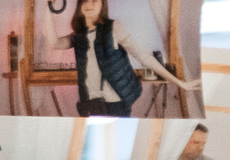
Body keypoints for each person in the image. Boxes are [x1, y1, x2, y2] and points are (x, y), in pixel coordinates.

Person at [70, 0, 198, 118]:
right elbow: (54, 43)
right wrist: (49, 7)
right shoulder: (78, 36)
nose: (89, 4)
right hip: (90, 104)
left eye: (95, 0)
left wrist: (179, 82)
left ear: (102, 4)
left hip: (116, 103)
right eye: (85, 0)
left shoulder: (114, 27)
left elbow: (142, 56)